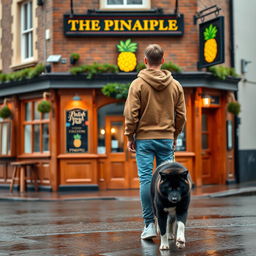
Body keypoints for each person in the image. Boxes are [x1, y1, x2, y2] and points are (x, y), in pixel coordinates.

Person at [123, 44, 186, 240]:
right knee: (168, 180)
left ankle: (149, 225)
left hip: (144, 139)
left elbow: (131, 114)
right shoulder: (175, 85)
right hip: (166, 139)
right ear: (163, 61)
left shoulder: (138, 84)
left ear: (145, 61)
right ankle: (166, 222)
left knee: (146, 180)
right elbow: (181, 115)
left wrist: (129, 136)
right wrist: (174, 136)